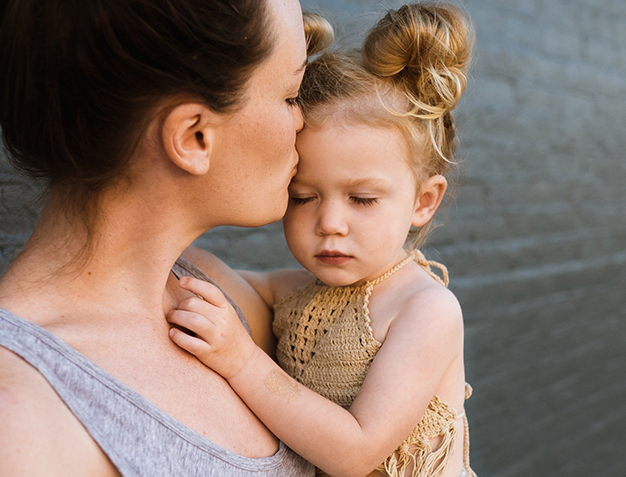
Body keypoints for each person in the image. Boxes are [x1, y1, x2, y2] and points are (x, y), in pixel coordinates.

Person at [0, 0, 322, 475]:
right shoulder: (22, 418)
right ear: (194, 137)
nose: (304, 122)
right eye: (292, 95)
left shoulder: (214, 293)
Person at [166, 3, 477, 477]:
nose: (330, 222)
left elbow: (356, 451)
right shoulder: (296, 293)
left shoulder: (424, 309)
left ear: (423, 201)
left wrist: (242, 360)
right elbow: (204, 273)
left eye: (363, 199)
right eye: (303, 196)